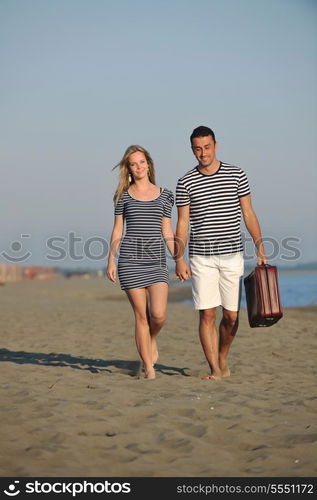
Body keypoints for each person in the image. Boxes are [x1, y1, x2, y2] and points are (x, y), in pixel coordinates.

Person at [175, 126, 267, 380]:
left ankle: (222, 356)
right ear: (192, 149)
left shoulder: (237, 174)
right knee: (207, 314)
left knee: (231, 316)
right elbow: (183, 222)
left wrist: (260, 246)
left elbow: (248, 212)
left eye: (206, 147)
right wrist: (179, 258)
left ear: (215, 145)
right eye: (197, 148)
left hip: (232, 255)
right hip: (201, 256)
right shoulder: (185, 181)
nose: (202, 153)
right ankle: (215, 368)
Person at [107, 145, 174, 380]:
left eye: (142, 162)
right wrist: (111, 260)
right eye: (134, 164)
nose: (139, 167)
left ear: (149, 164)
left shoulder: (166, 195)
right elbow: (117, 230)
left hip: (157, 263)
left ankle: (151, 339)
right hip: (130, 262)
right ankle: (149, 368)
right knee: (141, 317)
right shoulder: (122, 196)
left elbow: (167, 231)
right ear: (129, 169)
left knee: (158, 316)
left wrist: (179, 258)